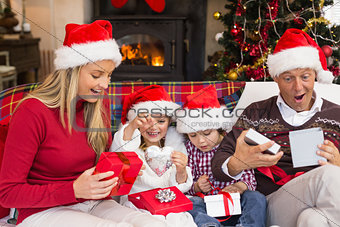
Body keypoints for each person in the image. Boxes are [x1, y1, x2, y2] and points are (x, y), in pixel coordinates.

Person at [0, 20, 166, 227]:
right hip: (44, 210)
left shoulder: (95, 105)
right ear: (71, 70)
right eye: (96, 75)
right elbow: (7, 194)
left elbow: (99, 167)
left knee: (155, 224)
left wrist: (122, 170)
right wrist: (73, 190)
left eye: (109, 76)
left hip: (92, 202)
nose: (105, 85)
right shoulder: (32, 111)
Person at [211, 28, 340, 227]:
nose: (298, 87)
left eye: (305, 77)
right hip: (272, 206)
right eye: (288, 78)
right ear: (276, 79)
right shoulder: (256, 113)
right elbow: (218, 165)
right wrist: (238, 162)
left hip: (323, 206)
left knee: (313, 220)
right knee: (329, 176)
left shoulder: (337, 115)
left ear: (315, 75)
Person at [176, 85, 267, 227]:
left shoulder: (231, 144)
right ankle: (209, 225)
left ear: (219, 128)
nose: (200, 141)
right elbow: (186, 184)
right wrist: (197, 186)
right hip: (207, 206)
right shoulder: (190, 149)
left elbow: (250, 179)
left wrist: (239, 186)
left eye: (206, 133)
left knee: (256, 198)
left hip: (235, 205)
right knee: (190, 203)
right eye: (193, 135)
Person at [110, 85, 196, 227]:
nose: (154, 127)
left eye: (161, 121)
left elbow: (181, 186)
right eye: (146, 121)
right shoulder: (131, 147)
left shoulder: (175, 147)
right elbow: (117, 155)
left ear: (169, 123)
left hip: (168, 203)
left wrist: (181, 170)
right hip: (137, 203)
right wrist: (130, 127)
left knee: (179, 220)